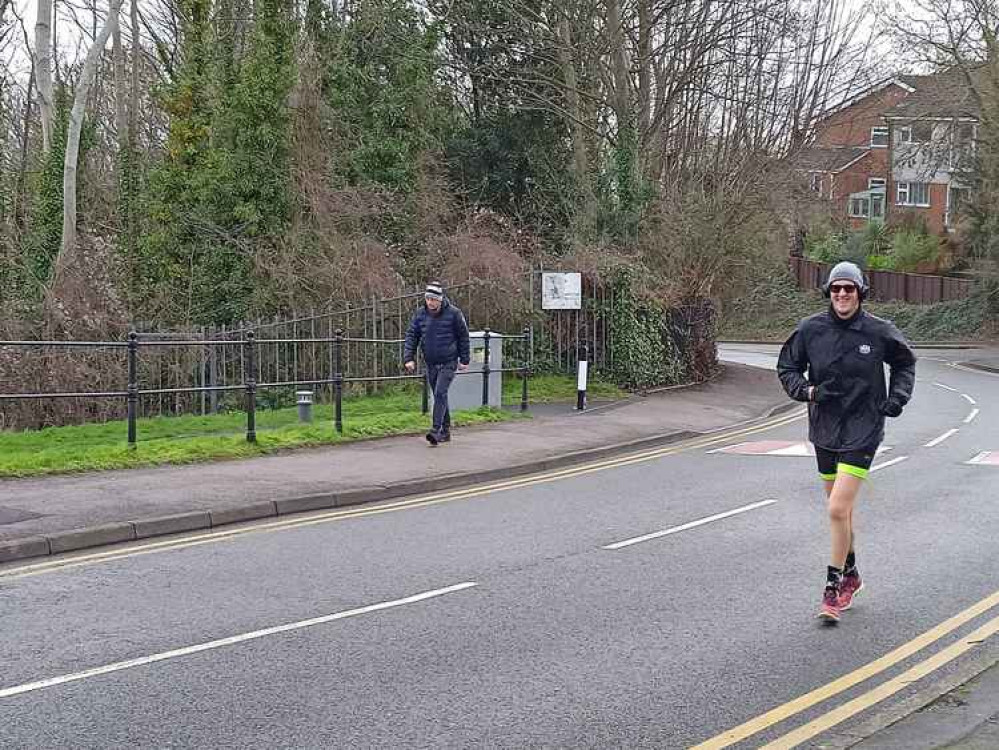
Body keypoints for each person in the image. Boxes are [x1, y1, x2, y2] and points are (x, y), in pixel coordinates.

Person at [777, 261, 916, 623]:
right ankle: (852, 573)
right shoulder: (810, 330)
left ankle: (832, 589)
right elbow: (787, 367)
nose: (842, 294)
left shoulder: (878, 331)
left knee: (838, 509)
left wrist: (897, 398)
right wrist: (805, 391)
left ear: (860, 293)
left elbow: (905, 363)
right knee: (841, 511)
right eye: (836, 289)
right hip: (824, 428)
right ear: (828, 292)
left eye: (849, 289)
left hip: (864, 428)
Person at [403, 282, 471, 446]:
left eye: (434, 299)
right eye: (428, 299)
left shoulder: (454, 314)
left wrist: (464, 359)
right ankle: (446, 431)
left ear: (440, 300)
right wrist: (408, 358)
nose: (431, 302)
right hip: (431, 362)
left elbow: (463, 336)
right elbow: (412, 335)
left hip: (449, 361)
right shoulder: (420, 315)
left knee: (440, 393)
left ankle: (435, 431)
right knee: (440, 395)